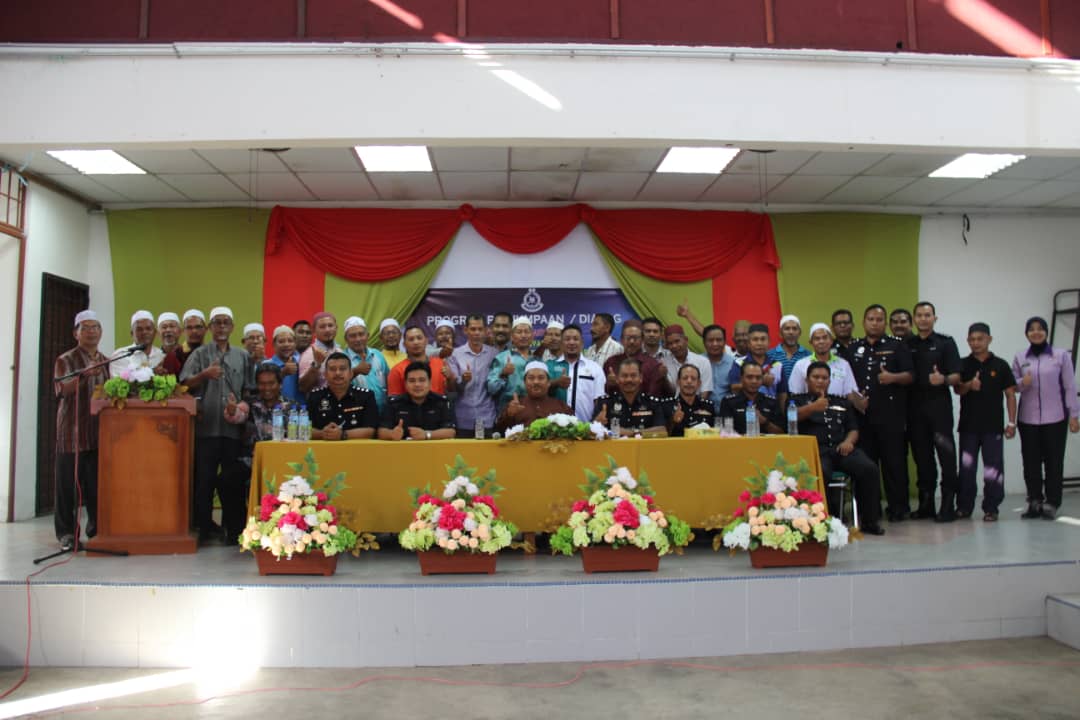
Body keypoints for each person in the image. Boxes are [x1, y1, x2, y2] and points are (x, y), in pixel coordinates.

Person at [179, 306, 253, 544]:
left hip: (233, 431)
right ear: (210, 327)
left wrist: (240, 409)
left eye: (225, 322)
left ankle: (233, 530)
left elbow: (249, 389)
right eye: (217, 323)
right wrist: (205, 375)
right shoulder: (200, 354)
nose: (221, 327)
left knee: (231, 482)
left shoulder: (242, 356)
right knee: (205, 481)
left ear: (232, 327)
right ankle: (204, 529)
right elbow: (184, 384)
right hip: (206, 429)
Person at [792, 362, 885, 535]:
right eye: (816, 377)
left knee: (869, 469)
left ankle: (870, 521)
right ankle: (826, 521)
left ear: (829, 381)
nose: (820, 381)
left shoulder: (841, 402)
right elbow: (790, 418)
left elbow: (853, 428)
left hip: (841, 450)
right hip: (816, 452)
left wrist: (849, 441)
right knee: (821, 473)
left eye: (824, 378)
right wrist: (813, 407)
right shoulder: (797, 401)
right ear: (807, 380)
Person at [843, 304, 914, 523]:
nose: (875, 323)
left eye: (879, 320)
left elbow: (911, 376)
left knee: (894, 464)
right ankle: (870, 510)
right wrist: (854, 399)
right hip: (862, 418)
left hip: (890, 416)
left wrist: (893, 378)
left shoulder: (897, 345)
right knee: (867, 466)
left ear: (885, 323)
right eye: (871, 319)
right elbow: (845, 381)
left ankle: (898, 508)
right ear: (864, 322)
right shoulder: (853, 348)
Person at [1012, 316, 1080, 520]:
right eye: (1031, 329)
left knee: (1053, 461)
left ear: (1046, 332)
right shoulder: (1020, 356)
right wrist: (1022, 382)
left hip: (1055, 417)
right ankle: (1034, 501)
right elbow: (1012, 386)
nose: (1036, 332)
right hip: (1028, 418)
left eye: (1040, 328)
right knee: (1030, 461)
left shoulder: (1060, 355)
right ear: (1026, 334)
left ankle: (1052, 502)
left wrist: (1074, 415)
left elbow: (1070, 386)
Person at [53, 310, 109, 550]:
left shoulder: (106, 360)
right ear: (76, 333)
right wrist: (84, 376)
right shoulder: (66, 360)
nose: (91, 332)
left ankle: (95, 529)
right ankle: (66, 533)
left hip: (96, 434)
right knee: (67, 488)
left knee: (95, 487)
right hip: (71, 434)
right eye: (85, 328)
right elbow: (62, 390)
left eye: (95, 327)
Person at [905, 301, 962, 522]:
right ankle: (926, 505)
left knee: (947, 458)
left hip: (939, 408)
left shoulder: (945, 343)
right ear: (914, 319)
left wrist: (944, 379)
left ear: (934, 318)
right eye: (919, 315)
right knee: (922, 459)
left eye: (927, 315)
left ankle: (948, 505)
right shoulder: (907, 344)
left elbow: (957, 375)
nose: (923, 319)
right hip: (914, 409)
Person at [955, 323, 1017, 522]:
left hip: (993, 427)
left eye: (980, 339)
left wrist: (1012, 423)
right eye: (972, 340)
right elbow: (957, 390)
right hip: (968, 427)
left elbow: (1010, 394)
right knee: (966, 469)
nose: (976, 343)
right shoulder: (963, 364)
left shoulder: (1001, 365)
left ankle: (991, 508)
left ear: (989, 339)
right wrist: (969, 385)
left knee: (993, 469)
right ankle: (964, 507)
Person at [306, 352, 379, 440]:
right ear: (325, 375)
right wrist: (322, 434)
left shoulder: (366, 396)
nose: (337, 373)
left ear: (351, 373)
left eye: (342, 369)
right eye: (332, 369)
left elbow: (371, 431)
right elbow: (304, 428)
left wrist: (343, 435)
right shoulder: (315, 397)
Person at [447, 314, 498, 437]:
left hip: (487, 417)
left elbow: (496, 386)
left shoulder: (494, 354)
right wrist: (464, 381)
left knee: (486, 450)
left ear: (486, 331)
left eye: (480, 329)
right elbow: (453, 390)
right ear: (465, 330)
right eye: (473, 329)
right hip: (463, 418)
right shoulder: (455, 355)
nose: (477, 333)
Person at [379, 361, 456, 441]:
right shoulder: (394, 403)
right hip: (402, 447)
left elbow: (451, 432)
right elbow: (381, 431)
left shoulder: (441, 402)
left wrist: (426, 435)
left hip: (433, 447)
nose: (417, 384)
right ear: (405, 384)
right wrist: (391, 434)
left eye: (422, 380)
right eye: (412, 381)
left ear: (430, 382)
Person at [592, 357, 668, 437]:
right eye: (624, 376)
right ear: (617, 379)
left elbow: (662, 431)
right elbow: (591, 432)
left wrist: (633, 433)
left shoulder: (652, 403)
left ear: (641, 378)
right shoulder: (605, 403)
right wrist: (596, 424)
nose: (629, 380)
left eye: (633, 375)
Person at [231, 362, 284, 470]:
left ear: (280, 384)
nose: (267, 388)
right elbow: (239, 414)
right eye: (262, 384)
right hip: (250, 464)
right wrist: (232, 411)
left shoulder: (292, 407)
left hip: (282, 462)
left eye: (271, 383)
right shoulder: (249, 403)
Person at [550, 324, 606, 424]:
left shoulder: (595, 368)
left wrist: (593, 425)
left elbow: (599, 400)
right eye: (567, 339)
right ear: (561, 343)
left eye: (576, 339)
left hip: (586, 427)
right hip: (555, 428)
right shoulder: (549, 366)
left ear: (582, 343)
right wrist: (556, 383)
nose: (571, 342)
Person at [495, 361, 573, 432]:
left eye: (541, 378)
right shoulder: (515, 405)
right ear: (524, 382)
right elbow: (499, 432)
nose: (536, 382)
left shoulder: (561, 406)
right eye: (531, 378)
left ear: (548, 382)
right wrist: (509, 415)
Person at [602, 319, 671, 398]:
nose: (632, 341)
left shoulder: (653, 365)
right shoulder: (611, 363)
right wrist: (610, 385)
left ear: (642, 340)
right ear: (621, 340)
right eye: (628, 338)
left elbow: (654, 395)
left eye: (635, 338)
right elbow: (602, 392)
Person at [787, 323, 858, 399]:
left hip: (838, 406)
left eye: (825, 338)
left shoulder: (844, 365)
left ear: (831, 340)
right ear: (811, 342)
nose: (821, 341)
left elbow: (851, 393)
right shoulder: (800, 365)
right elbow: (794, 394)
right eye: (817, 339)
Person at [717, 361, 783, 435]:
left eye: (758, 378)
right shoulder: (729, 402)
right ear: (741, 379)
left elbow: (781, 432)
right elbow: (724, 432)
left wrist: (765, 422)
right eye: (749, 377)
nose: (754, 381)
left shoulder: (771, 402)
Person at [487, 316, 536, 412]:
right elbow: (491, 389)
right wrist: (503, 375)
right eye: (519, 332)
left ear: (532, 336)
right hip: (507, 412)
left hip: (532, 412)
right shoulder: (501, 358)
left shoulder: (537, 360)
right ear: (512, 336)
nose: (523, 335)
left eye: (526, 332)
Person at [342, 316, 389, 412]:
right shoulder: (342, 359)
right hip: (357, 414)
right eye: (353, 336)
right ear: (346, 339)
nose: (358, 339)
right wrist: (355, 371)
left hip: (383, 413)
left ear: (367, 335)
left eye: (361, 334)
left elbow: (388, 382)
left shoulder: (377, 355)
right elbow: (337, 385)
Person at [389, 325, 449, 396]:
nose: (416, 342)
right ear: (404, 344)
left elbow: (452, 390)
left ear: (426, 341)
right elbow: (395, 400)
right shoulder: (397, 371)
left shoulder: (440, 364)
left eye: (419, 338)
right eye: (411, 339)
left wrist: (450, 378)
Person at [658, 324, 713, 400]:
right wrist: (664, 378)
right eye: (670, 343)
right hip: (673, 405)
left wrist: (696, 405)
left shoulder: (703, 362)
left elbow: (705, 391)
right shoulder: (664, 363)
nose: (674, 346)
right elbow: (670, 393)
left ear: (686, 340)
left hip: (698, 404)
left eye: (677, 341)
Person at [728, 323, 781, 398]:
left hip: (771, 405)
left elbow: (782, 393)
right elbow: (733, 388)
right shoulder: (739, 363)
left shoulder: (777, 365)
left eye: (763, 339)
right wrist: (761, 382)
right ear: (748, 343)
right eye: (755, 339)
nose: (759, 343)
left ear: (769, 342)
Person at [765, 314, 811, 397]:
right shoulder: (769, 355)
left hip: (801, 400)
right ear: (780, 333)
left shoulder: (808, 355)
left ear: (799, 333)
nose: (791, 332)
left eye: (794, 329)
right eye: (787, 329)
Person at [298, 312, 343, 394]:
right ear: (314, 331)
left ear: (336, 328)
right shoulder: (309, 354)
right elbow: (303, 387)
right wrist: (316, 364)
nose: (327, 330)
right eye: (322, 327)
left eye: (330, 325)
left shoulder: (340, 351)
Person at [110, 310, 165, 376]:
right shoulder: (120, 355)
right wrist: (152, 372)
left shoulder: (161, 356)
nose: (144, 332)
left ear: (155, 332)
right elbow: (120, 380)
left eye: (148, 329)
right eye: (139, 329)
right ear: (132, 334)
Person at [667, 364, 716, 437]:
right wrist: (673, 422)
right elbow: (662, 436)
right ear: (678, 382)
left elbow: (716, 433)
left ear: (699, 383)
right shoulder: (669, 406)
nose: (689, 381)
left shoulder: (708, 406)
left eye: (693, 378)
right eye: (685, 378)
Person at [162, 309, 206, 376]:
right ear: (183, 331)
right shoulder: (173, 357)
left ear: (205, 329)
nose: (194, 331)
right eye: (189, 328)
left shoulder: (212, 353)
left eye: (198, 327)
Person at [267, 324, 303, 405]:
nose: (286, 344)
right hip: (276, 410)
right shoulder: (266, 365)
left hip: (300, 410)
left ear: (295, 343)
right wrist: (283, 373)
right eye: (281, 341)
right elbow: (265, 389)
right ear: (274, 344)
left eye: (290, 341)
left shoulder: (302, 361)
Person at [702, 324, 735, 401]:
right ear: (704, 342)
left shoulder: (734, 364)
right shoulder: (697, 362)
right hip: (701, 407)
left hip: (728, 407)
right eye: (711, 340)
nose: (715, 344)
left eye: (719, 340)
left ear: (724, 342)